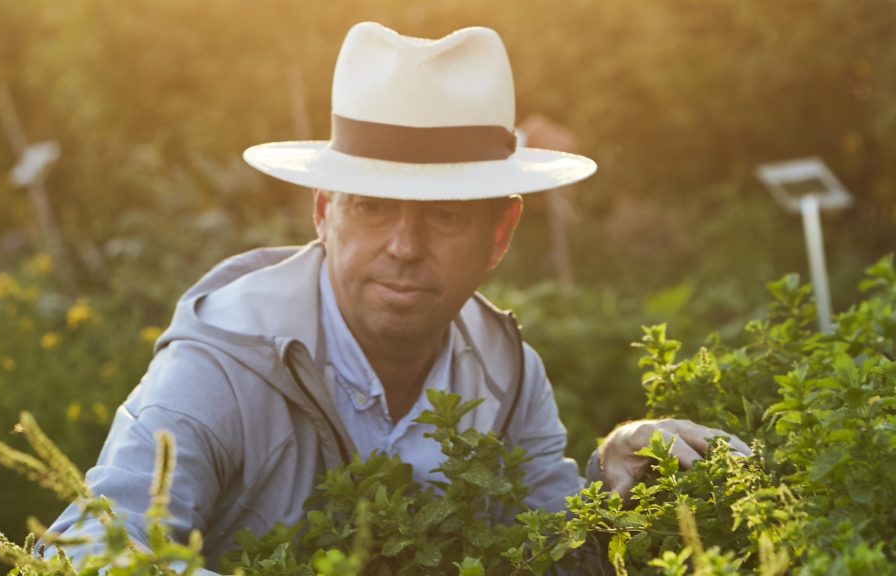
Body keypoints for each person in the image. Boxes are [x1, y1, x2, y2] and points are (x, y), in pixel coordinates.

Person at [47, 21, 751, 569]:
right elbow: (94, 551)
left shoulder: (505, 371)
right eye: (373, 208)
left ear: (500, 232)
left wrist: (613, 468)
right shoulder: (226, 362)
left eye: (444, 215)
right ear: (323, 211)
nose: (405, 246)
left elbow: (550, 556)